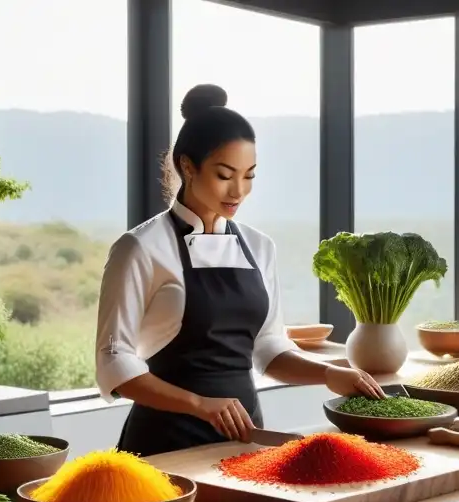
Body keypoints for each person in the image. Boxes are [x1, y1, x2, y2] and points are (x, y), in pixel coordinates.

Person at [95, 83, 385, 457]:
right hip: (164, 443)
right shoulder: (140, 248)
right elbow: (114, 359)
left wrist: (328, 374)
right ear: (187, 166)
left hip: (245, 437)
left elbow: (267, 348)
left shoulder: (259, 247)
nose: (238, 191)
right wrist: (201, 404)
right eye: (224, 174)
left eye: (249, 175)